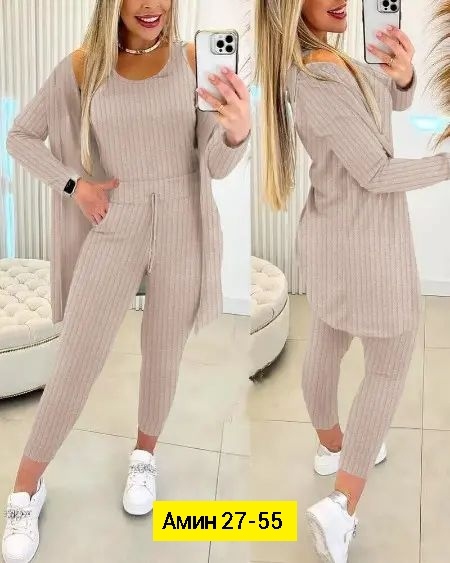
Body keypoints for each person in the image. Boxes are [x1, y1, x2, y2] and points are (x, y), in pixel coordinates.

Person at [2, 1, 251, 562]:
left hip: (184, 222)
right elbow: (21, 137)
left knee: (163, 353)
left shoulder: (193, 61)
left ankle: (144, 456)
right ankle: (25, 488)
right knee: (76, 360)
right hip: (116, 220)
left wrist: (237, 134)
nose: (151, 6)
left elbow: (214, 166)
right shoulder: (82, 66)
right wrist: (75, 185)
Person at [255, 1, 450, 561]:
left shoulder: (325, 64)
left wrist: (403, 77)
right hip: (369, 249)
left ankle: (331, 446)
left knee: (327, 340)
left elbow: (387, 103)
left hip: (331, 239)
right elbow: (377, 171)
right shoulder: (320, 78)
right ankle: (341, 507)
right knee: (387, 366)